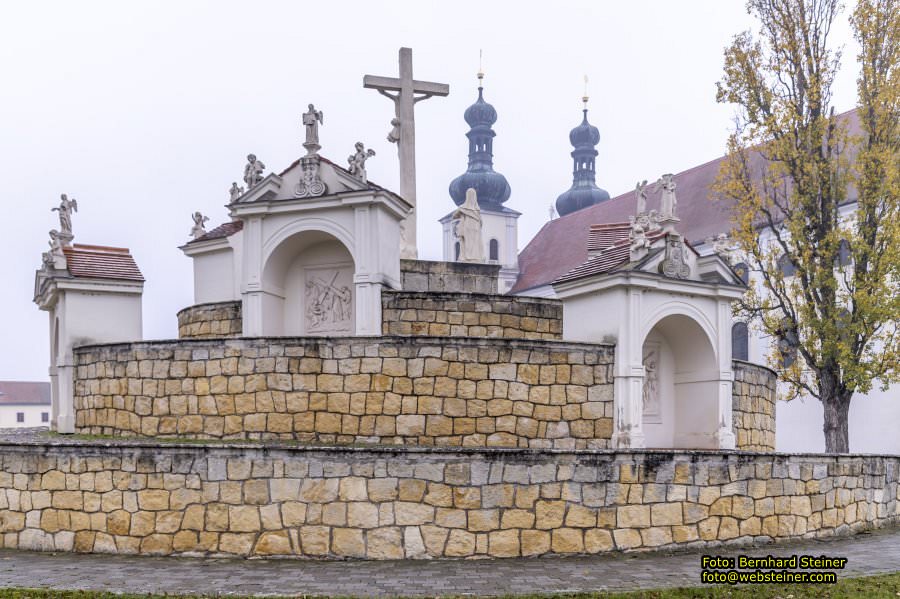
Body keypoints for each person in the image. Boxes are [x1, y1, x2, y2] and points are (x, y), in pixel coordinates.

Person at [452, 188, 485, 262]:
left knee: (467, 243)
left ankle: (467, 257)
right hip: (476, 228)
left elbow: (454, 216)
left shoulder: (463, 207)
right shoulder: (477, 210)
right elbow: (481, 222)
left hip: (467, 227)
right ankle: (475, 258)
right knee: (475, 243)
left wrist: (460, 214)